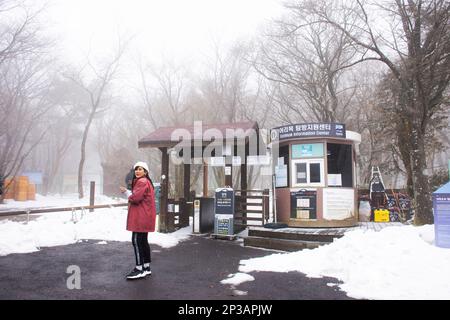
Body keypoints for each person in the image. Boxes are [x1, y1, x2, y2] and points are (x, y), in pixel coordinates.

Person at [120, 161, 156, 280]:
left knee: (136, 241)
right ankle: (146, 267)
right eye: (136, 169)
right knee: (143, 242)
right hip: (146, 216)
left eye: (140, 169)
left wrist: (126, 192)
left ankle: (139, 269)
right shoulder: (147, 182)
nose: (137, 171)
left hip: (140, 217)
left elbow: (135, 198)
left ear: (145, 172)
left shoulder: (142, 181)